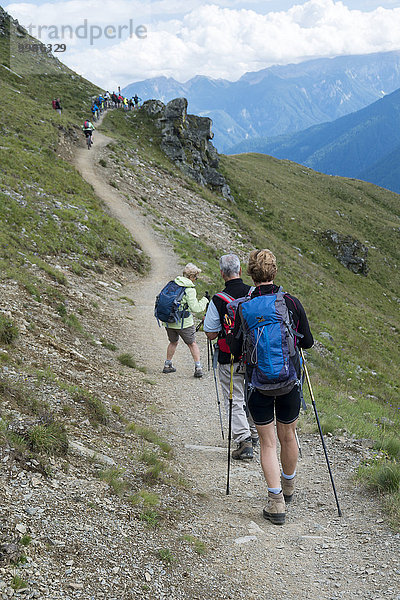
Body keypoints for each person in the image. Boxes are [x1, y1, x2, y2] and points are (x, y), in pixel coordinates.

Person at [236, 249, 313, 525]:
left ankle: (276, 502)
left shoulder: (243, 307)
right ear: (274, 271)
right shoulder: (290, 302)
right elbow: (308, 343)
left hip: (258, 384)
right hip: (289, 380)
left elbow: (235, 348)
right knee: (288, 436)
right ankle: (289, 486)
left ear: (251, 274)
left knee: (267, 443)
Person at [203, 253, 258, 460]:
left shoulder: (218, 299)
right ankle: (254, 434)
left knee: (234, 398)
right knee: (254, 395)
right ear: (240, 271)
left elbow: (210, 333)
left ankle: (244, 441)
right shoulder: (255, 294)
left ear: (221, 273)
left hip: (230, 358)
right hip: (255, 357)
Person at [162, 263, 209, 378]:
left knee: (173, 342)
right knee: (192, 343)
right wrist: (205, 300)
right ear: (192, 277)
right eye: (196, 277)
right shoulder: (189, 289)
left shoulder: (173, 283)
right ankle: (198, 368)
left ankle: (167, 365)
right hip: (184, 323)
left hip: (169, 321)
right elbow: (195, 308)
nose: (196, 279)